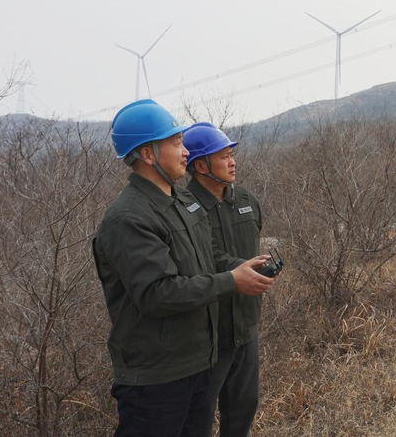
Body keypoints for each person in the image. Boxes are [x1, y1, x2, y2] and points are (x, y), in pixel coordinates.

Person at [93, 99, 275, 437]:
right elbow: (157, 293)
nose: (185, 152)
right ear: (148, 155)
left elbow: (207, 258)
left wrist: (241, 268)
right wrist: (230, 281)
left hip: (196, 364)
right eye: (176, 143)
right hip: (156, 380)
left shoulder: (179, 203)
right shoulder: (128, 218)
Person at [182, 122, 269, 437]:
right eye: (223, 156)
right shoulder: (183, 209)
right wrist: (242, 270)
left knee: (242, 411)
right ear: (201, 166)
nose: (232, 162)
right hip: (208, 337)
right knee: (198, 418)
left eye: (232, 154)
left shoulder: (246, 199)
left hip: (246, 327)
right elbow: (202, 259)